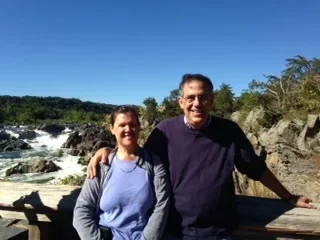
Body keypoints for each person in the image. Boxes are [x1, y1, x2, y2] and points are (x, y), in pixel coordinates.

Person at [87, 74, 316, 240]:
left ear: (212, 100)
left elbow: (256, 168)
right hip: (174, 230)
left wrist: (288, 196)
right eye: (191, 97)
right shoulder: (164, 132)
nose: (197, 103)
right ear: (181, 102)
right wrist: (107, 151)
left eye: (203, 97)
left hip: (218, 231)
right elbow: (137, 159)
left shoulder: (229, 131)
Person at [73, 105, 170, 240]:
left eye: (132, 125)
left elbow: (161, 207)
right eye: (122, 125)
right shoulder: (103, 165)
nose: (128, 129)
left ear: (139, 127)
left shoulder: (154, 164)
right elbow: (82, 209)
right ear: (112, 129)